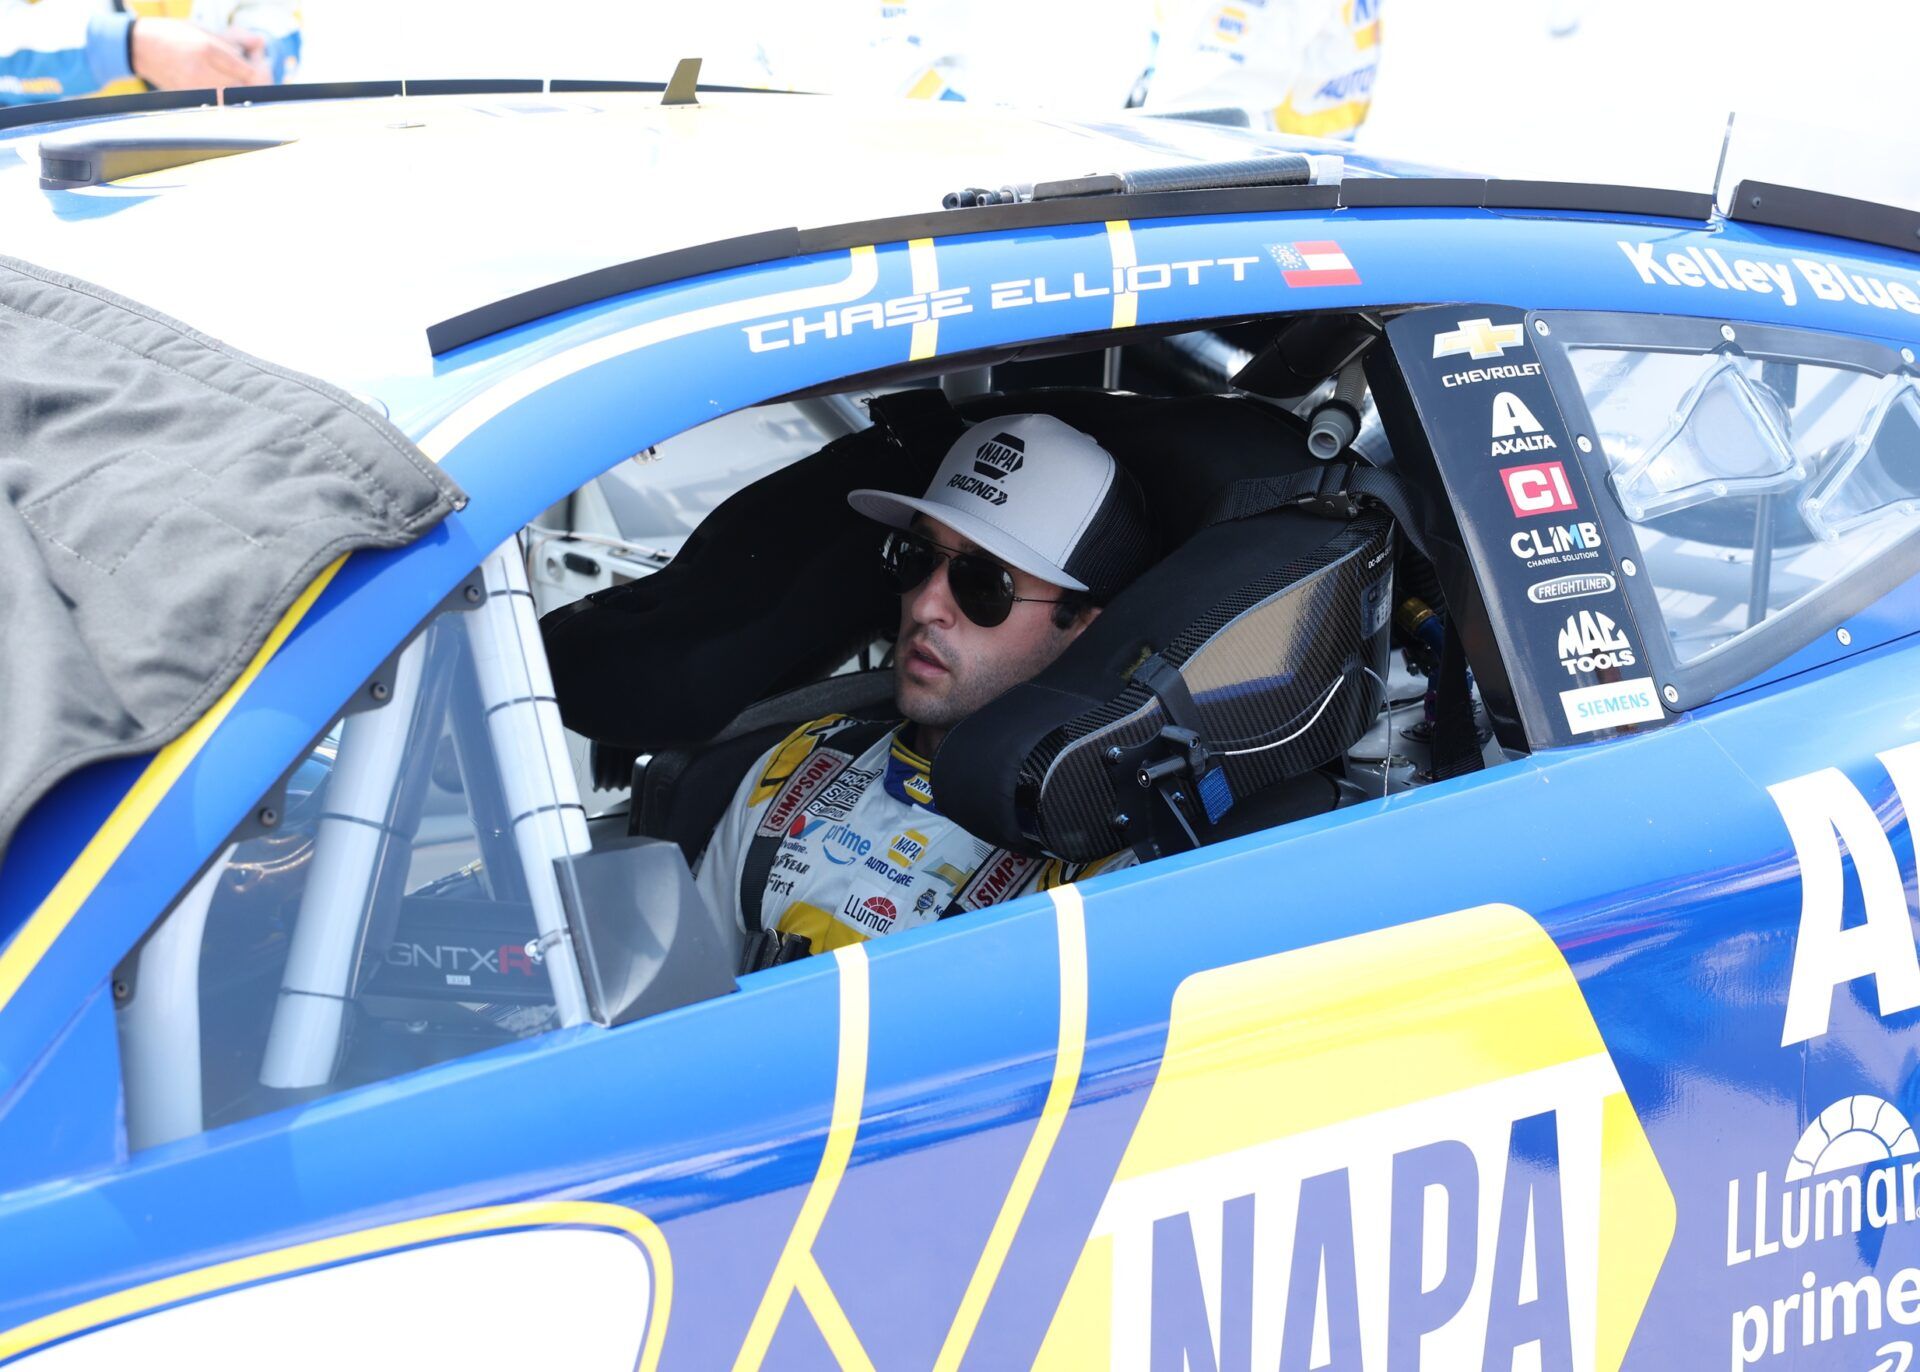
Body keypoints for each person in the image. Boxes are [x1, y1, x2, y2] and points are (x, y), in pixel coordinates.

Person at [695, 413, 1154, 967]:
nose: (927, 604)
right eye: (917, 556)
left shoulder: (1102, 871)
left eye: (984, 584)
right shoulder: (799, 767)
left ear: (1085, 628)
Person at [0, 1, 298, 107]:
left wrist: (264, 48)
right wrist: (131, 46)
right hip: (50, 179)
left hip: (219, 156)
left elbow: (278, 12)